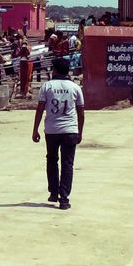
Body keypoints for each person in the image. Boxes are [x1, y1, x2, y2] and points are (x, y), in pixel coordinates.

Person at [32, 55, 85, 209]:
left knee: (52, 160)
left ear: (54, 70)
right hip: (70, 130)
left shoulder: (47, 86)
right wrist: (80, 132)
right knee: (67, 164)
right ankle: (64, 198)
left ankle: (53, 192)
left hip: (52, 130)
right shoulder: (75, 88)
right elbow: (81, 112)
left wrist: (35, 129)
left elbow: (40, 109)